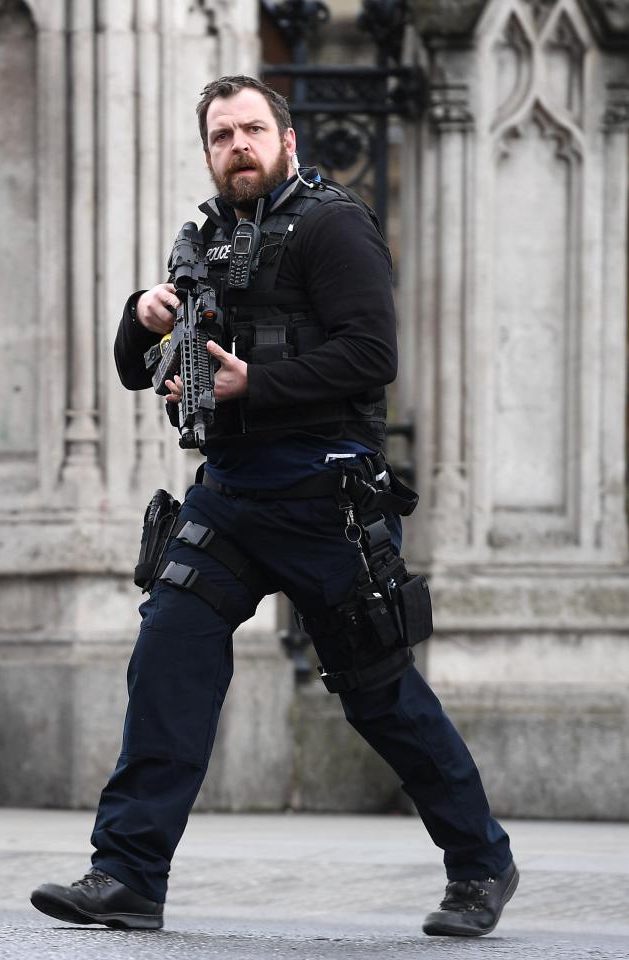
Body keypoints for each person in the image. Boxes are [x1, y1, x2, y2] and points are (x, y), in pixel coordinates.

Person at [31, 75, 518, 938]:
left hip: (326, 497)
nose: (239, 146)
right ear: (210, 151)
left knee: (378, 695)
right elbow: (135, 366)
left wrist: (258, 382)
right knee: (169, 660)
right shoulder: (207, 238)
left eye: (253, 129)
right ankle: (127, 875)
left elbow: (372, 356)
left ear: (286, 140)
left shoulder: (336, 226)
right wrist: (142, 321)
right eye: (222, 135)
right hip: (229, 494)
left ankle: (481, 866)